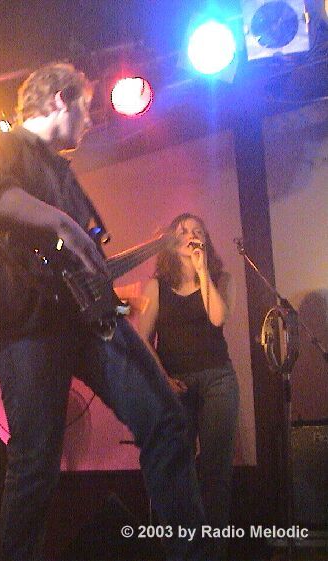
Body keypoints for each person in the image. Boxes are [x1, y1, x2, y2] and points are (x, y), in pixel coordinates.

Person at [0, 61, 206, 561]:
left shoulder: (64, 174)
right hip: (25, 322)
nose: (91, 121)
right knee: (36, 459)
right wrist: (62, 224)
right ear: (59, 100)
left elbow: (86, 260)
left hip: (86, 320)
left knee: (166, 420)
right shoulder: (0, 146)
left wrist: (119, 284)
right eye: (86, 108)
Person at [137, 213, 240, 561]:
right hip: (175, 386)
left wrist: (201, 270)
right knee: (177, 472)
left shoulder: (221, 279)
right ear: (171, 241)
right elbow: (142, 341)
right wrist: (162, 379)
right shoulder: (156, 287)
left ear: (205, 241)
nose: (190, 236)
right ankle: (182, 552)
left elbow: (218, 317)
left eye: (197, 231)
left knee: (215, 473)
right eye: (182, 231)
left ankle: (214, 554)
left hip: (217, 381)